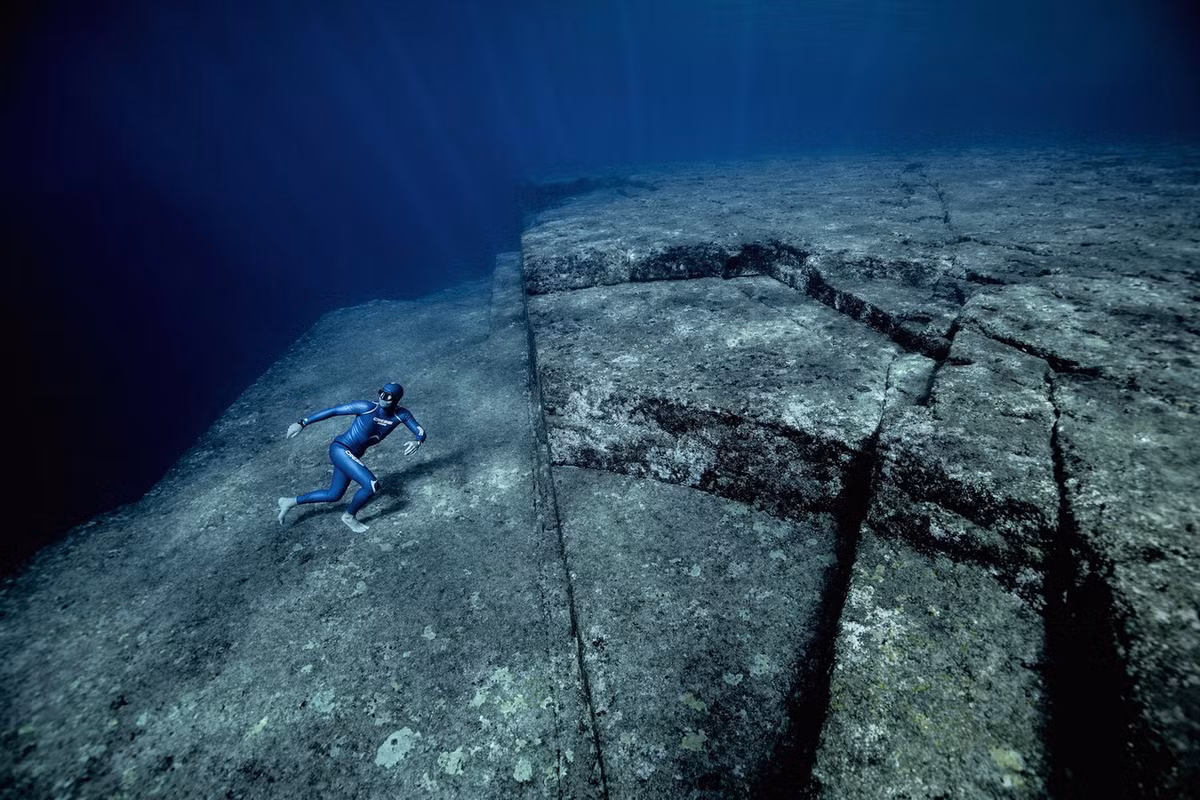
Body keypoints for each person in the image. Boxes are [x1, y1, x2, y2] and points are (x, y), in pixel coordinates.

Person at [277, 382, 426, 532]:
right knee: (372, 485)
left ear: (396, 399)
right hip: (340, 449)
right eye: (381, 393)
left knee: (333, 494)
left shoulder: (401, 415)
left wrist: (417, 441)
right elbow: (334, 411)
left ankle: (289, 502)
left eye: (387, 396)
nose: (382, 398)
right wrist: (302, 423)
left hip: (351, 455)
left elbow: (419, 431)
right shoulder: (367, 407)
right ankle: (349, 517)